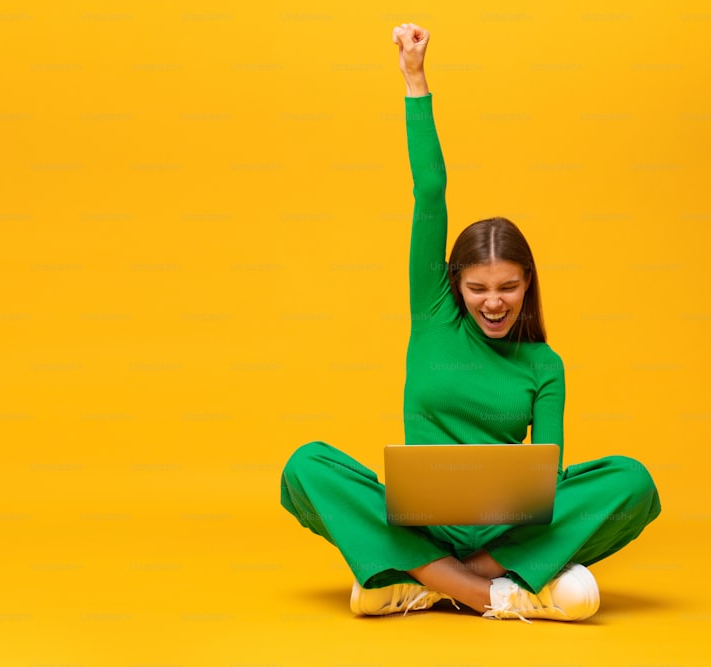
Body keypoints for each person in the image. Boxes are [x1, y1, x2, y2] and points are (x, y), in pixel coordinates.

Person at [279, 22, 662, 622]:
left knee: (631, 482)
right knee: (305, 467)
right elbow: (430, 191)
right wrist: (414, 79)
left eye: (508, 287)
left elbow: (551, 478)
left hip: (499, 533)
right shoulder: (433, 315)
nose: (493, 302)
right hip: (417, 518)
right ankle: (495, 595)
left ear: (528, 284)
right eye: (478, 288)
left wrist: (519, 512)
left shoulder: (544, 366)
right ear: (455, 286)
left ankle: (425, 581)